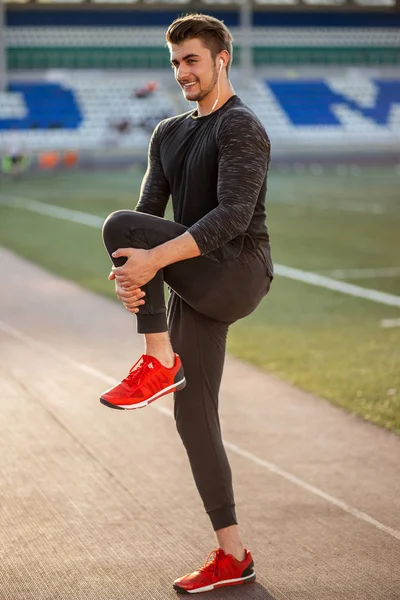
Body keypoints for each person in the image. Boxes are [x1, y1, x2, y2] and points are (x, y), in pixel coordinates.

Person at [100, 13, 273, 594]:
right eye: (174, 62)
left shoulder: (241, 126)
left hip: (239, 271)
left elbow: (233, 216)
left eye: (191, 60)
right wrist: (131, 272)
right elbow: (148, 217)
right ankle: (234, 554)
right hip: (194, 276)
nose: (181, 72)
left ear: (222, 58)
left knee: (120, 225)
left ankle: (157, 359)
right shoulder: (168, 132)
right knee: (193, 417)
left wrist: (150, 260)